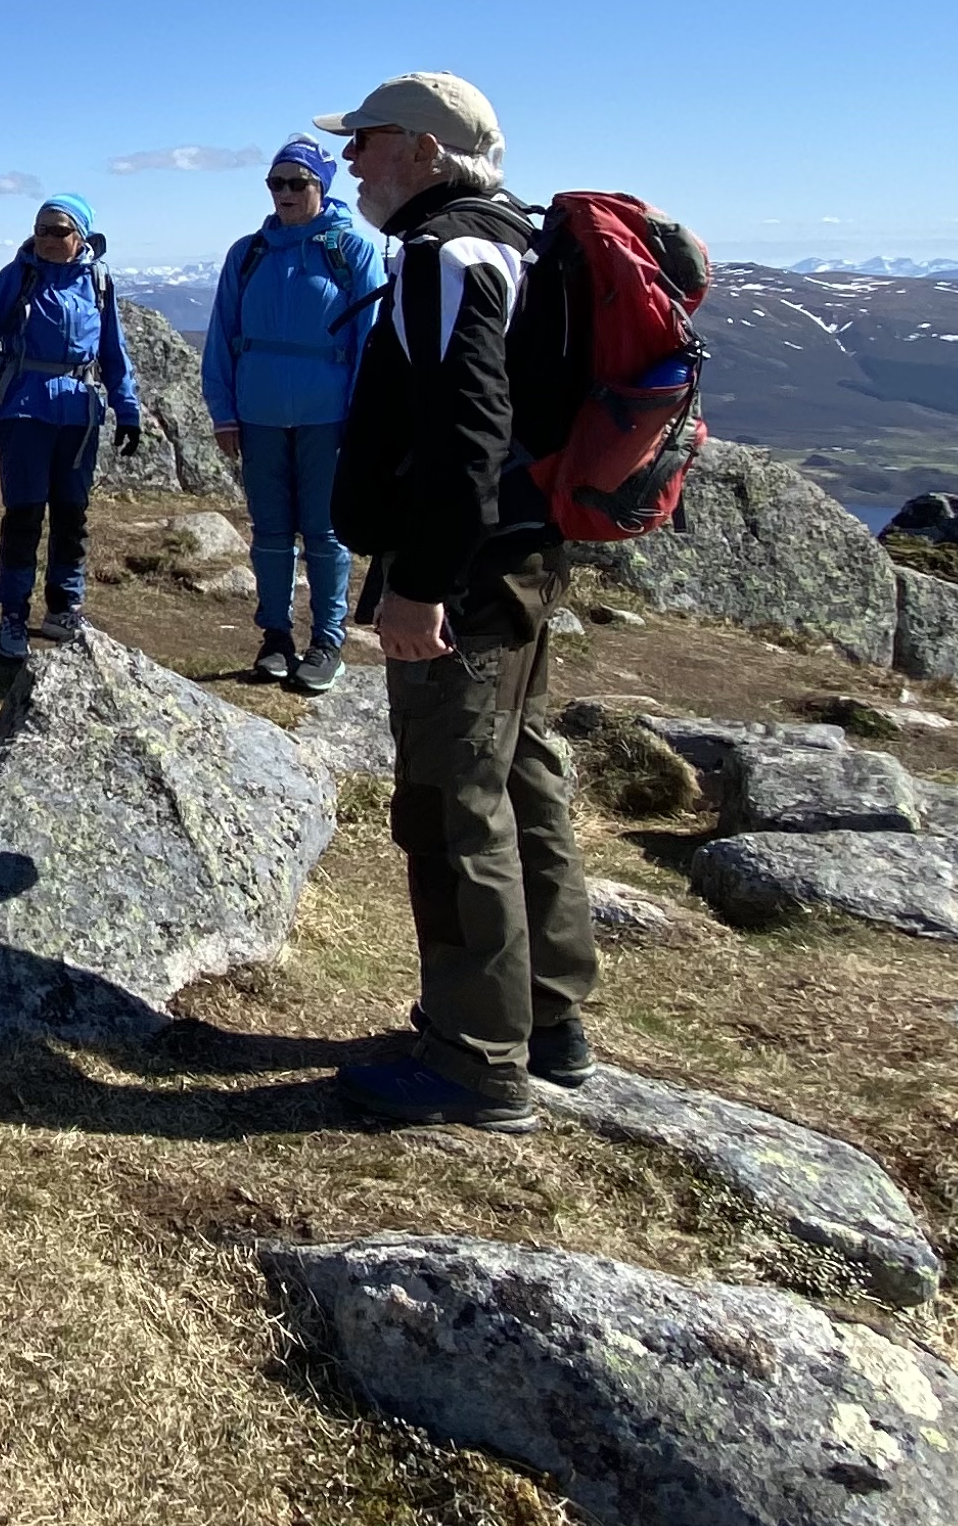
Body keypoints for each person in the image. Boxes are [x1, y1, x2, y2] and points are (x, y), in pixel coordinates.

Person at [315, 72, 592, 1134]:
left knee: (450, 796)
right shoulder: (512, 241)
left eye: (369, 141)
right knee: (521, 772)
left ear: (425, 152)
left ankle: (474, 1057)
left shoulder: (442, 257)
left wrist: (421, 585)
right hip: (521, 551)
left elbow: (464, 434)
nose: (351, 162)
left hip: (464, 571)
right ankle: (549, 1019)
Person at [204, 137, 388, 692]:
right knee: (270, 532)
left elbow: (371, 338)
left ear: (320, 187)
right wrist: (224, 413)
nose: (284, 193)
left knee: (326, 532)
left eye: (296, 183)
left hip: (327, 416)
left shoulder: (351, 251)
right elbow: (222, 336)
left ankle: (327, 640)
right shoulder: (248, 252)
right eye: (276, 183)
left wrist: (362, 417)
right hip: (258, 415)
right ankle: (276, 638)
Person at [0, 193, 142, 660]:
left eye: (60, 231)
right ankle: (13, 611)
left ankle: (64, 607)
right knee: (24, 514)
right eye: (42, 230)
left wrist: (128, 408)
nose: (49, 239)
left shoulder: (98, 282)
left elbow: (112, 351)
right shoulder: (15, 279)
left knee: (72, 513)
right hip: (23, 409)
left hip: (79, 413)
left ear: (81, 236)